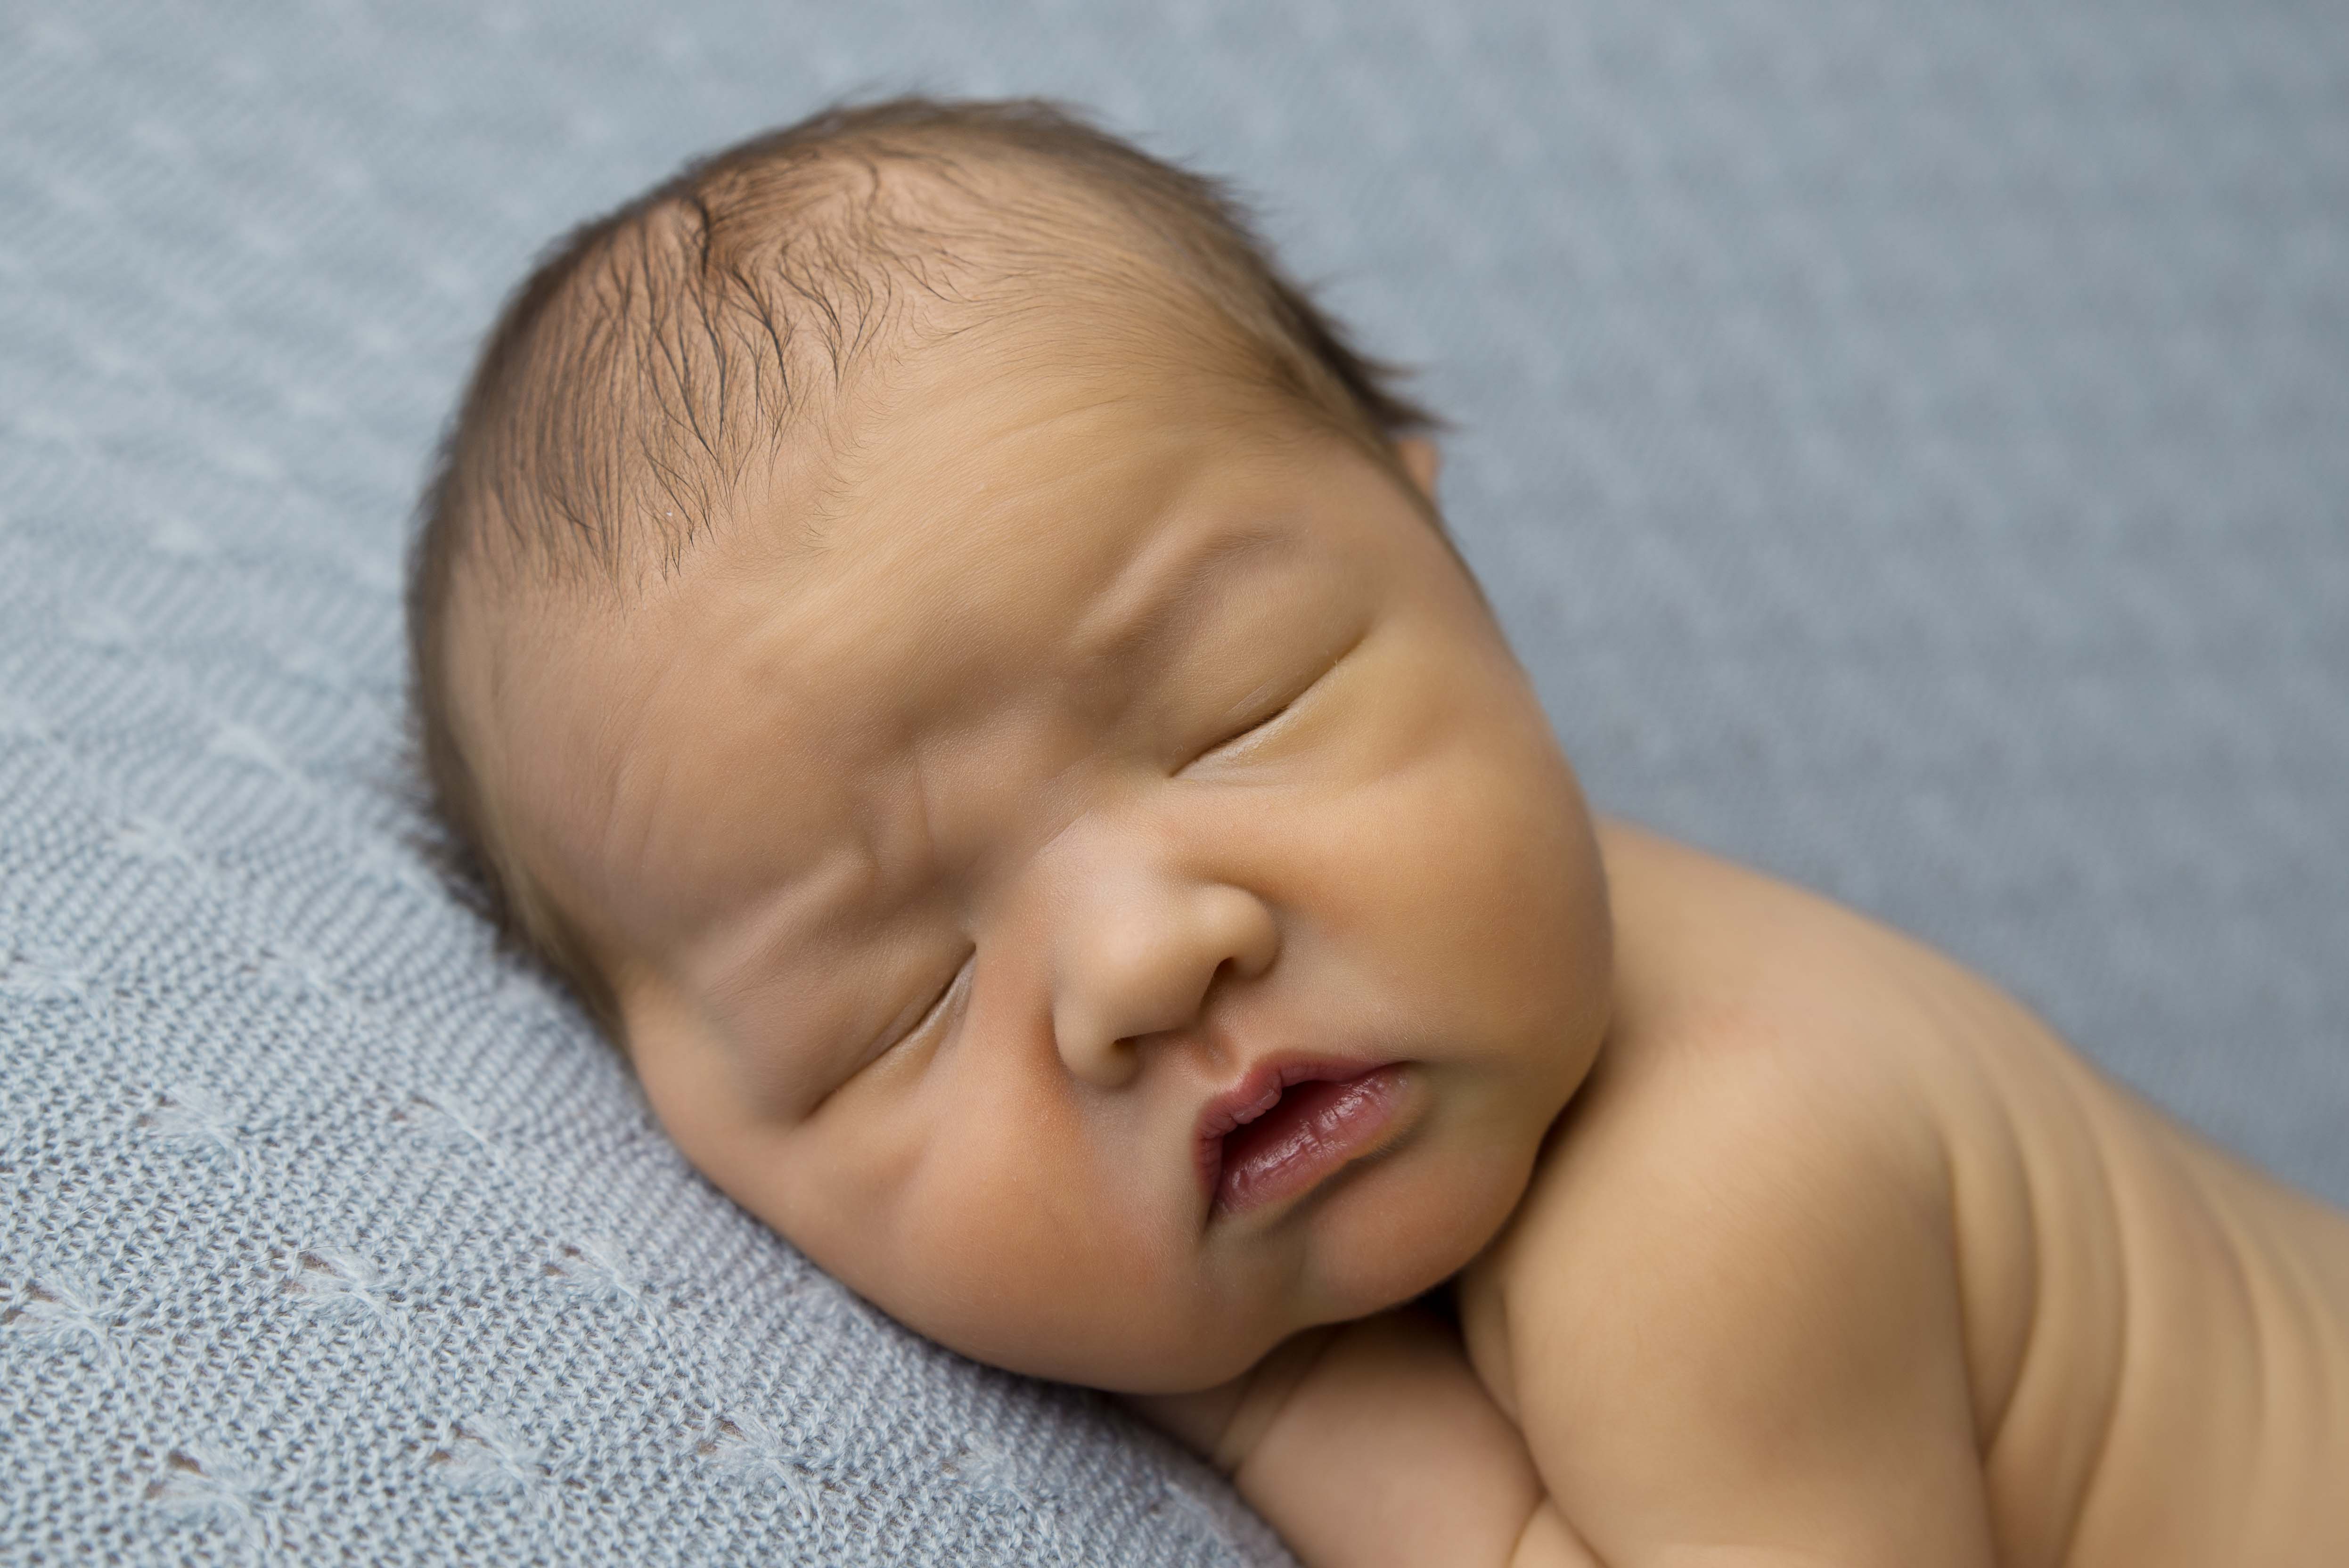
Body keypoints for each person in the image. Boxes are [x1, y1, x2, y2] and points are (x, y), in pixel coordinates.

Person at [404, 97, 2349, 1566]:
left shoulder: (1705, 1202)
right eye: (903, 997)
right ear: (701, 1138)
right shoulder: (1505, 968)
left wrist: (1304, 1421)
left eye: (1235, 713)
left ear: (1441, 546)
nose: (1147, 958)